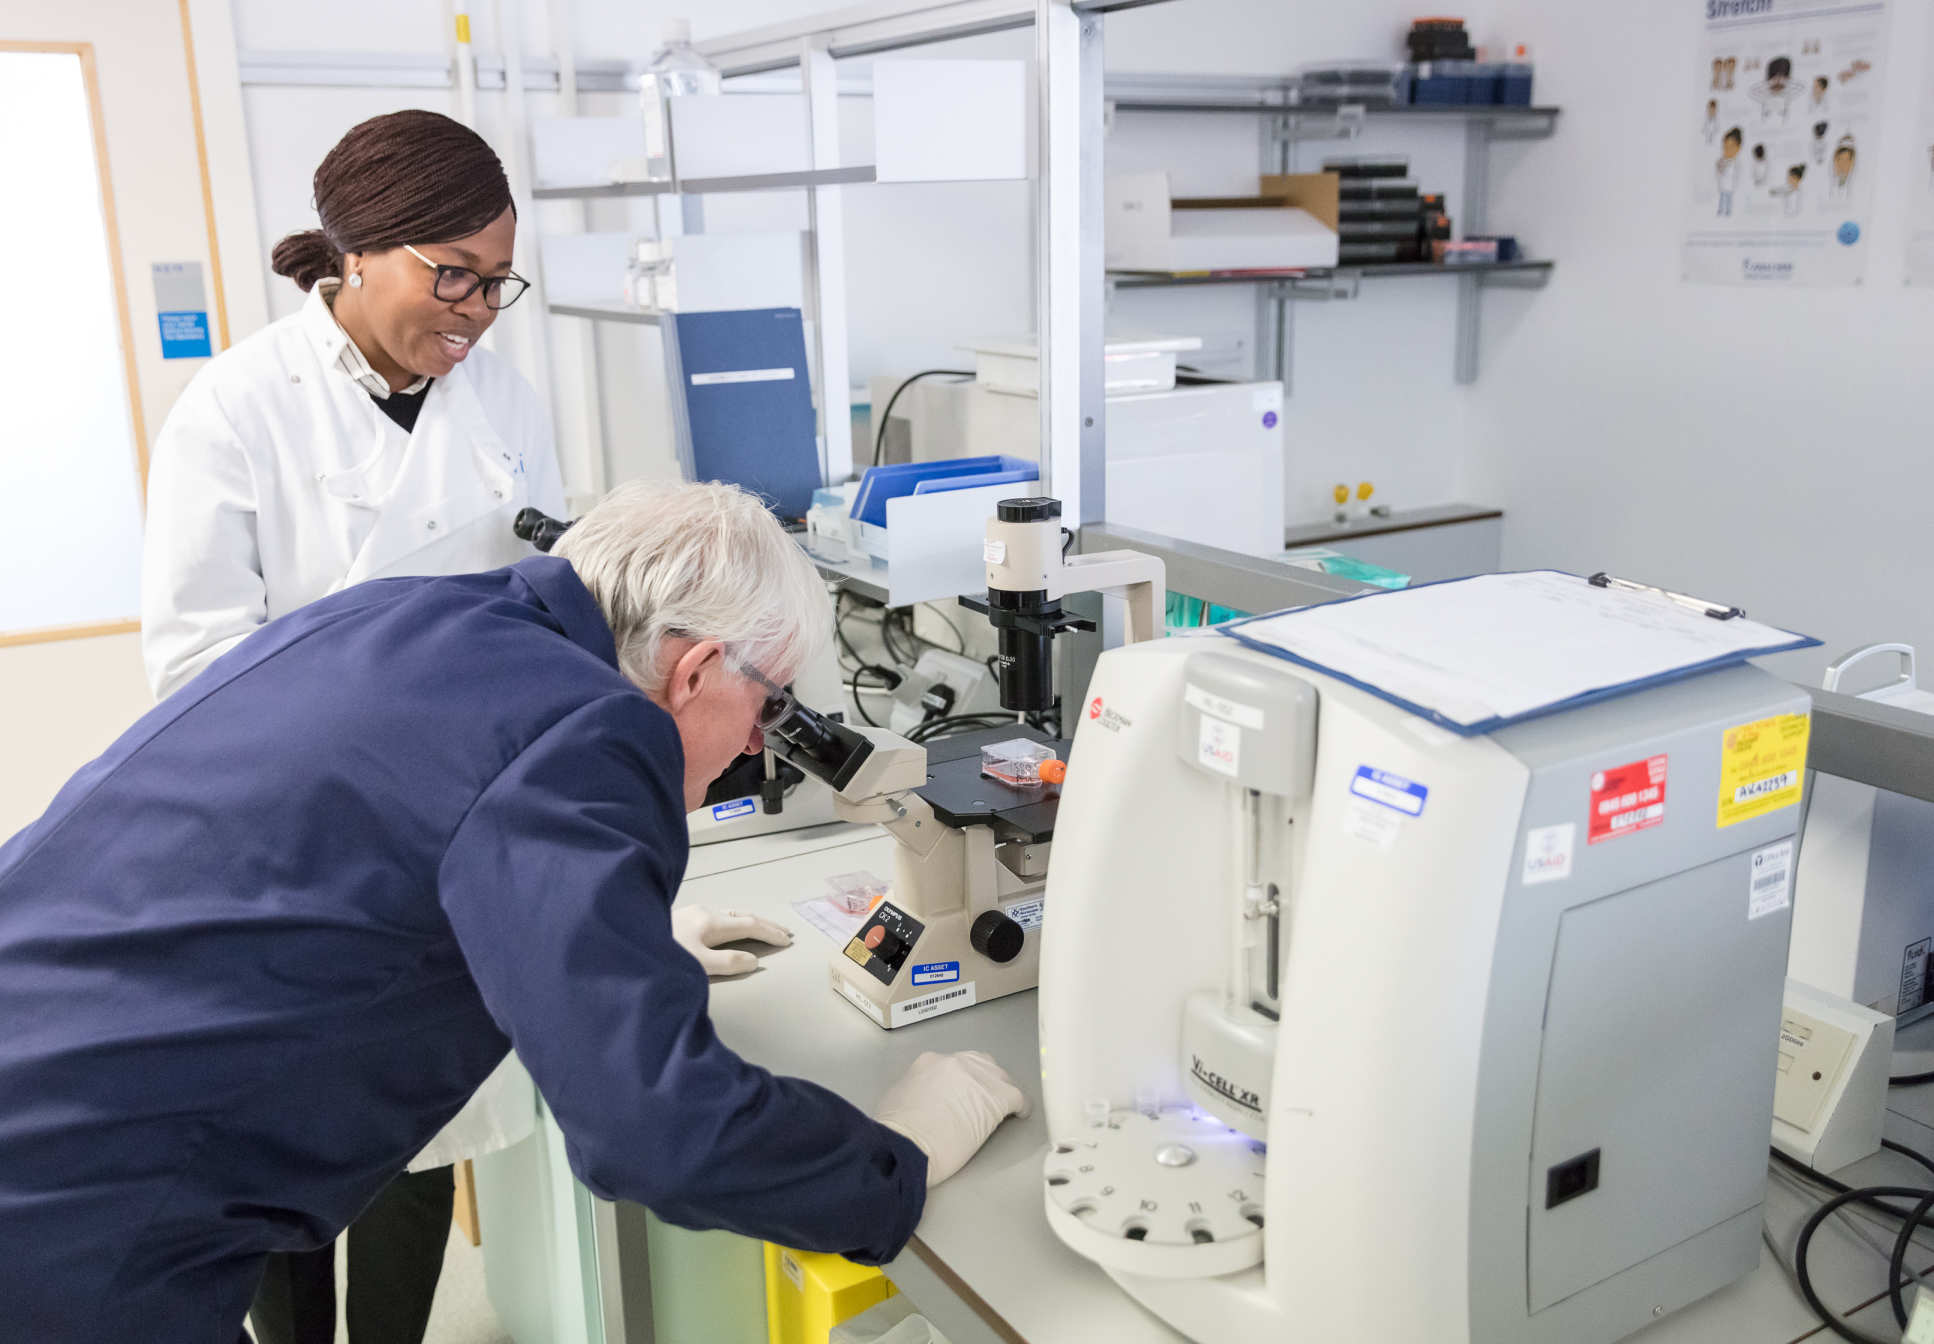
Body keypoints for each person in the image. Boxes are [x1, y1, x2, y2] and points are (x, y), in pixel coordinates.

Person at [0, 479, 1030, 1343]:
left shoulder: (415, 612)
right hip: (76, 1218)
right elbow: (656, 1130)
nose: (758, 748)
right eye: (769, 707)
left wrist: (607, 927)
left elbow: (360, 838)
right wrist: (896, 1156)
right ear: (698, 670)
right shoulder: (590, 728)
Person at [142, 109, 547, 1344]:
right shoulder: (238, 408)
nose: (476, 310)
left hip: (447, 851)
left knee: (419, 1132)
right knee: (282, 1145)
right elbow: (194, 667)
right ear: (361, 250)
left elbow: (540, 598)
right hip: (287, 852)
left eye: (495, 282)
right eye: (452, 277)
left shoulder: (506, 401)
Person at [1716, 127, 1743, 216]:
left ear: (1738, 148)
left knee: (1728, 198)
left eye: (1730, 147)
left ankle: (1728, 211)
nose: (1726, 151)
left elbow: (1736, 176)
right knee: (1722, 198)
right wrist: (1720, 165)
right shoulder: (1723, 160)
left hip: (1730, 185)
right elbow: (1719, 172)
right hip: (1723, 185)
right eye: (1725, 147)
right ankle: (1720, 210)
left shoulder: (1735, 163)